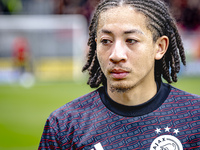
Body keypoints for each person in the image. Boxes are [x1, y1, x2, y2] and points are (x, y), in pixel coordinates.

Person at [38, 0, 200, 149]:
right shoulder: (64, 126)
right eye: (106, 41)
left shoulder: (195, 116)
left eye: (131, 40)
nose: (116, 55)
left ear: (160, 47)